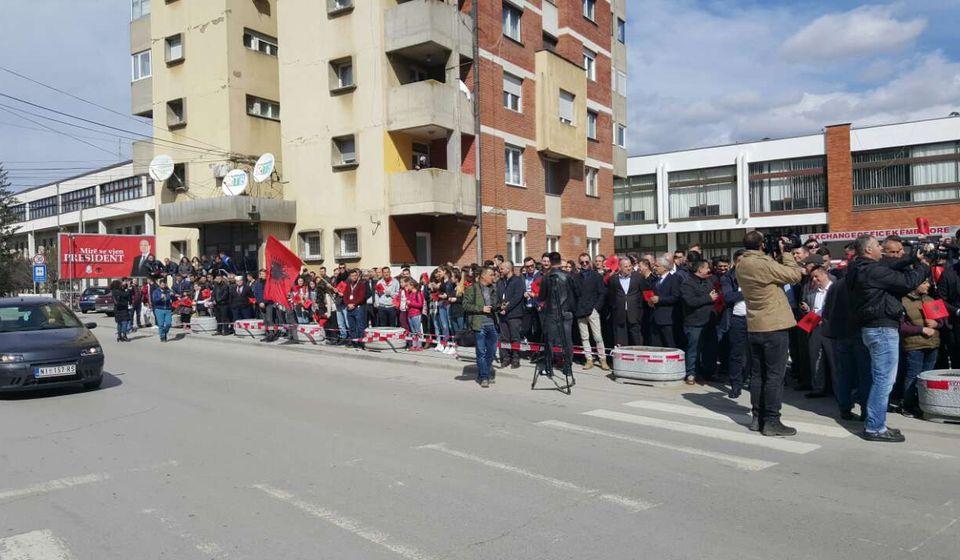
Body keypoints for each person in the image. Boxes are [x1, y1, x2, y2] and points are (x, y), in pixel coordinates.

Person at [847, 235, 929, 442]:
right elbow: (907, 282)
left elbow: (890, 265)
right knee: (884, 381)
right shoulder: (873, 271)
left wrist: (912, 258)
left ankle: (877, 421)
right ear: (868, 251)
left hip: (873, 328)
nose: (882, 250)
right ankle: (874, 427)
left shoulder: (859, 267)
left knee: (880, 379)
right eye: (878, 246)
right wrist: (924, 266)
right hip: (882, 329)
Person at [737, 231, 804, 436]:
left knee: (758, 375)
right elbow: (794, 275)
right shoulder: (763, 264)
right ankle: (772, 421)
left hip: (755, 324)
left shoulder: (742, 264)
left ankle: (758, 418)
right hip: (773, 325)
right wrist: (787, 254)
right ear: (762, 244)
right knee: (775, 375)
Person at [900, 279, 940, 418]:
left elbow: (942, 321)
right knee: (913, 375)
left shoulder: (930, 299)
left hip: (932, 343)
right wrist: (921, 329)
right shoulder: (903, 301)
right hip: (914, 345)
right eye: (924, 283)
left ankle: (923, 404)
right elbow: (901, 326)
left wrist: (937, 323)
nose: (928, 285)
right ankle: (908, 405)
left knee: (927, 377)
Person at [538, 252, 580, 384]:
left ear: (550, 261)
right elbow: (577, 293)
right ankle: (568, 367)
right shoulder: (568, 276)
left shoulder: (546, 277)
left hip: (552, 313)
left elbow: (541, 297)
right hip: (566, 313)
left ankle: (549, 367)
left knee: (549, 341)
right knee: (567, 341)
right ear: (560, 261)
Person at [680, 260, 719, 385]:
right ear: (700, 269)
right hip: (694, 322)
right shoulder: (687, 283)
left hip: (709, 322)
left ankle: (708, 372)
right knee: (693, 349)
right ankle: (691, 373)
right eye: (707, 268)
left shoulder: (709, 281)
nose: (709, 270)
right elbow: (690, 301)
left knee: (710, 349)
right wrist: (708, 298)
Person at [800, 266, 835, 399]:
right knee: (815, 359)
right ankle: (818, 388)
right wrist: (807, 309)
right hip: (814, 327)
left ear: (825, 275)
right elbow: (809, 309)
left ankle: (838, 390)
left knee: (834, 360)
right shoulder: (811, 290)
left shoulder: (835, 288)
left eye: (816, 276)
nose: (814, 280)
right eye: (812, 277)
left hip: (830, 329)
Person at [463, 266, 499, 388]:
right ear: (483, 276)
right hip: (479, 325)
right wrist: (481, 309)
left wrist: (500, 308)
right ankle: (484, 377)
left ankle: (483, 373)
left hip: (492, 323)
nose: (493, 277)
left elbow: (494, 305)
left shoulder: (493, 288)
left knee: (492, 352)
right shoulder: (472, 288)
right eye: (491, 275)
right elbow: (465, 305)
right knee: (481, 352)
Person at [720, 250, 748, 397]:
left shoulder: (755, 275)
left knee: (752, 353)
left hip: (755, 318)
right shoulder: (728, 277)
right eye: (741, 262)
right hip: (737, 318)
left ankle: (748, 378)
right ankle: (735, 384)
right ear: (735, 263)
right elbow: (728, 297)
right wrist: (749, 292)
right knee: (736, 353)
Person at [575, 253, 608, 371]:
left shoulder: (596, 276)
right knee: (584, 337)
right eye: (582, 262)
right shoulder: (576, 277)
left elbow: (602, 293)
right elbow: (574, 294)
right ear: (579, 263)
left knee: (598, 337)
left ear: (590, 262)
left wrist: (596, 308)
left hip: (592, 310)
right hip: (580, 311)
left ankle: (602, 359)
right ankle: (589, 360)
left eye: (586, 262)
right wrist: (576, 308)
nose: (584, 264)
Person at [607, 257, 646, 346]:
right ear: (620, 267)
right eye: (626, 266)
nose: (629, 268)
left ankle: (638, 357)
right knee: (620, 339)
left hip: (634, 313)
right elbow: (611, 296)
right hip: (619, 313)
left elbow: (642, 294)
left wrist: (639, 310)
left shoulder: (638, 277)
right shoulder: (613, 279)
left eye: (630, 266)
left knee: (636, 338)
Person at [495, 260, 525, 368]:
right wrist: (499, 307)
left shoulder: (517, 281)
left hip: (514, 314)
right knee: (504, 338)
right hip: (502, 314)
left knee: (515, 337)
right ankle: (506, 358)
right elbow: (497, 296)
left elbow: (517, 297)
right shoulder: (500, 282)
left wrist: (506, 308)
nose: (500, 271)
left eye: (502, 269)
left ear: (509, 269)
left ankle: (515, 359)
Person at [649, 255, 682, 348]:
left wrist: (660, 299)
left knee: (669, 344)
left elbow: (676, 297)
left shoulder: (674, 279)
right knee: (656, 346)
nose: (654, 268)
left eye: (657, 266)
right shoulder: (656, 280)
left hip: (667, 319)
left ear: (664, 268)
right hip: (655, 318)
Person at [343, 269, 368, 348]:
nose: (354, 277)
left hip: (358, 308)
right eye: (352, 276)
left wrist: (354, 304)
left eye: (355, 275)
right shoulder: (348, 285)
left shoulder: (361, 285)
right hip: (349, 309)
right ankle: (354, 343)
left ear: (358, 276)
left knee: (360, 326)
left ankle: (361, 343)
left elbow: (362, 297)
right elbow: (345, 296)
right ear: (350, 277)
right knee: (352, 327)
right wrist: (348, 304)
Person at [151, 277, 174, 342]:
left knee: (168, 324)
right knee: (160, 325)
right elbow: (154, 301)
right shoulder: (156, 291)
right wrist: (160, 298)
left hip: (168, 309)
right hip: (159, 309)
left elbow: (173, 298)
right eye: (162, 284)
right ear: (159, 284)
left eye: (164, 284)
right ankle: (162, 337)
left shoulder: (168, 291)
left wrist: (173, 295)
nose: (163, 285)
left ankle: (164, 333)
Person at [405, 279, 425, 350]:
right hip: (410, 314)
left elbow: (420, 304)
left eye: (408, 285)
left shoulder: (418, 293)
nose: (407, 287)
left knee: (418, 331)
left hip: (416, 314)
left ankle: (419, 345)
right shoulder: (410, 293)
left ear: (412, 285)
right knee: (413, 331)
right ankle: (414, 345)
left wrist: (410, 303)